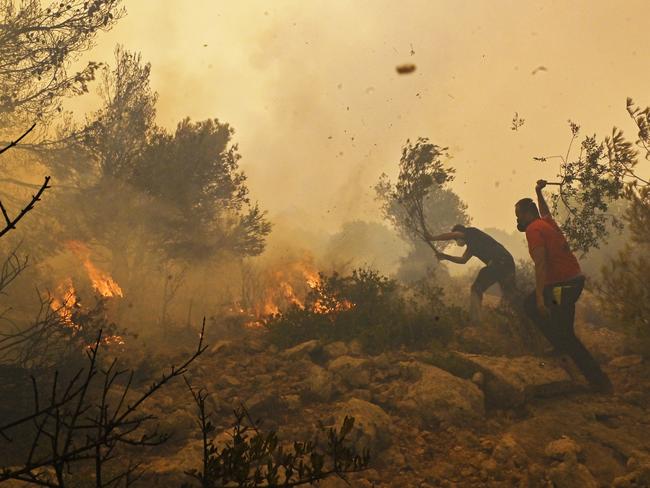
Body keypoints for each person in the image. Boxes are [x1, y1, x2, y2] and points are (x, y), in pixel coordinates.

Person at [515, 180, 613, 393]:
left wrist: (541, 296)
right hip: (570, 282)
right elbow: (545, 211)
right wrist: (538, 192)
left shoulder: (533, 229)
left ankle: (599, 381)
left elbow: (540, 264)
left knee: (534, 306)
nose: (517, 218)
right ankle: (562, 346)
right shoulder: (546, 223)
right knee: (562, 328)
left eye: (518, 214)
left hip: (562, 286)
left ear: (527, 214)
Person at [427, 224, 517, 321]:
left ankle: (475, 320)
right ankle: (517, 319)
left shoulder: (471, 232)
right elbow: (463, 260)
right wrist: (445, 256)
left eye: (456, 238)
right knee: (510, 294)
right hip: (507, 262)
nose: (457, 241)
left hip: (499, 262)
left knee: (476, 288)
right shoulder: (471, 246)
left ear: (460, 233)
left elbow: (454, 235)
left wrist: (432, 238)